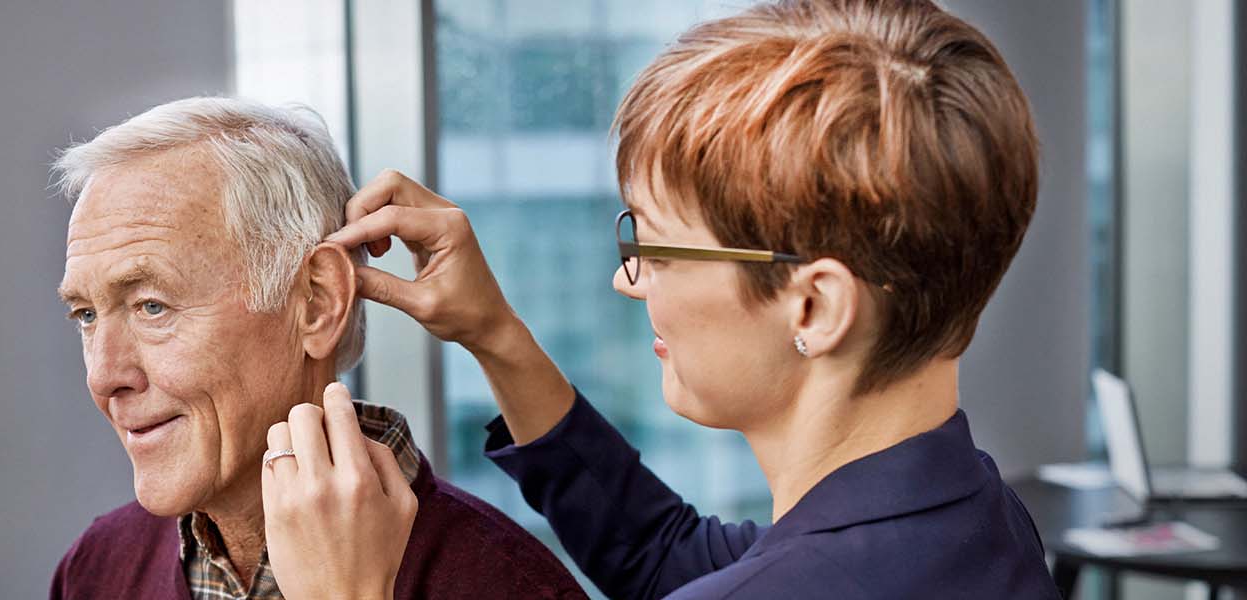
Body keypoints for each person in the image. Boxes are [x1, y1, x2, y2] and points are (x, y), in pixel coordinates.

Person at [325, 0, 1061, 598]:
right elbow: (659, 554)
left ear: (814, 308)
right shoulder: (983, 517)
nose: (629, 279)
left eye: (652, 246)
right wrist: (494, 332)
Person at [47, 97, 585, 599]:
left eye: (152, 306)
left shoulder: (508, 585)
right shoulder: (96, 569)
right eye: (87, 315)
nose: (104, 375)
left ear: (317, 301)